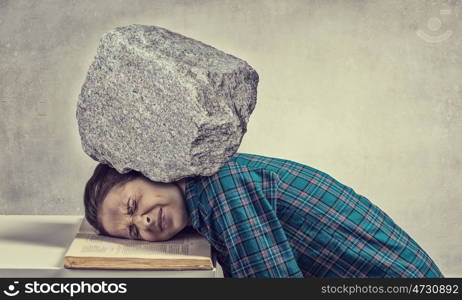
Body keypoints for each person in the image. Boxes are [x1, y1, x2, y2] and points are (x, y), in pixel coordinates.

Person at [83, 152, 444, 278]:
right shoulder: (204, 200)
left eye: (133, 206)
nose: (143, 222)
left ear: (150, 171)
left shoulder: (222, 186)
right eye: (132, 232)